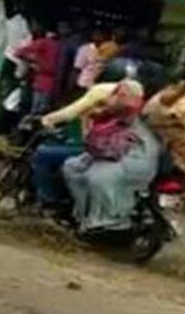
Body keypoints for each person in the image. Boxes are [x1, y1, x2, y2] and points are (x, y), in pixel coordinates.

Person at [38, 61, 161, 232]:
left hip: (101, 149)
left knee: (46, 155)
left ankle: (50, 201)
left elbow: (71, 112)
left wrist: (46, 120)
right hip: (126, 152)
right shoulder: (141, 98)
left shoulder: (103, 92)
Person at [13, 18, 60, 115]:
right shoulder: (59, 45)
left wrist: (34, 61)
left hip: (41, 79)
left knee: (36, 109)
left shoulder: (43, 43)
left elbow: (19, 52)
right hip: (50, 81)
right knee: (41, 109)